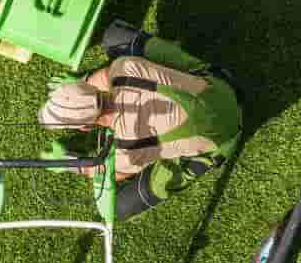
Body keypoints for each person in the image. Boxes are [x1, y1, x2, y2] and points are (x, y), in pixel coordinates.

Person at [36, 20, 243, 220]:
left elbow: (111, 173)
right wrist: (80, 85)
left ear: (85, 128)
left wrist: (72, 163)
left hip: (225, 138)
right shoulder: (124, 68)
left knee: (118, 206)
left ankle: (201, 157)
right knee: (115, 37)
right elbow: (105, 77)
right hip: (223, 87)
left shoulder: (127, 149)